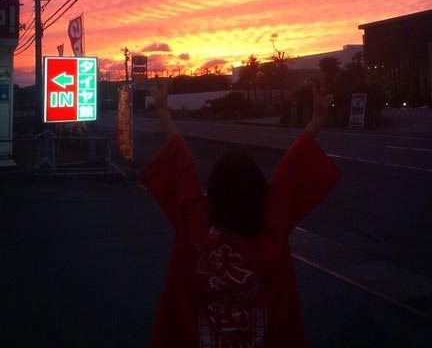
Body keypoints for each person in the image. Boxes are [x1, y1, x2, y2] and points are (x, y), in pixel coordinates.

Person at [138, 78, 341, 347]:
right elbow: (289, 171)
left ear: (213, 190)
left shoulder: (195, 223)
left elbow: (181, 163)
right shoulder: (271, 225)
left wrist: (163, 112)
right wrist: (316, 121)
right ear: (259, 189)